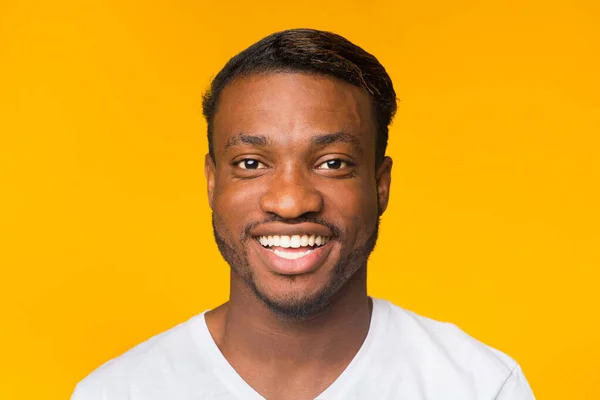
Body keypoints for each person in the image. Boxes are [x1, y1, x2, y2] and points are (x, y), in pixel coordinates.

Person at [71, 28, 535, 400]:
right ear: (213, 182)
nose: (291, 202)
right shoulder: (116, 392)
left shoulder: (480, 387)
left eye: (333, 163)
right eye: (251, 164)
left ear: (380, 184)